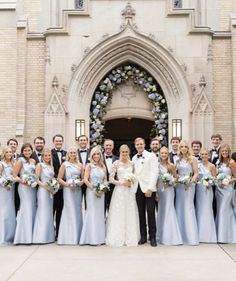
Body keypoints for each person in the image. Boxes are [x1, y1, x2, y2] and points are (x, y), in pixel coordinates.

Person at [106, 144, 140, 247]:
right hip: (119, 191)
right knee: (119, 212)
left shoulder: (132, 164)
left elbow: (135, 177)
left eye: (126, 152)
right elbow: (111, 178)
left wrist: (131, 183)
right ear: (120, 152)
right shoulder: (116, 163)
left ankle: (130, 237)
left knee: (129, 212)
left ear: (128, 152)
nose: (124, 154)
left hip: (129, 192)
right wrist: (121, 183)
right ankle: (118, 237)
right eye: (122, 152)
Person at [132, 137, 159, 247]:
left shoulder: (151, 156)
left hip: (148, 188)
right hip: (137, 188)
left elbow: (155, 173)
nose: (139, 146)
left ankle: (152, 237)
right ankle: (143, 236)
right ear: (135, 146)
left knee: (151, 213)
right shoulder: (133, 158)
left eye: (141, 144)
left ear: (144, 144)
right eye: (137, 144)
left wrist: (150, 188)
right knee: (141, 213)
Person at [80, 146, 107, 245]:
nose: (96, 156)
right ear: (91, 155)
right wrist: (94, 189)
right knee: (91, 213)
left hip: (101, 193)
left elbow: (105, 180)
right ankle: (91, 238)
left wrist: (103, 188)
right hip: (91, 192)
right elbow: (85, 180)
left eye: (98, 154)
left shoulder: (103, 166)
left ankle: (100, 238)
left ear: (100, 155)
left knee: (99, 214)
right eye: (94, 154)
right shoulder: (89, 166)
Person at [156, 147, 182, 245]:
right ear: (159, 154)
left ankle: (170, 237)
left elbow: (176, 179)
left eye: (165, 153)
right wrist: (157, 192)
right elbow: (156, 180)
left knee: (169, 210)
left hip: (169, 191)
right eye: (162, 153)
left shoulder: (171, 166)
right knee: (161, 212)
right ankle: (160, 235)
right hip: (160, 190)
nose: (163, 155)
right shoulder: (157, 165)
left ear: (168, 154)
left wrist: (170, 183)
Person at [57, 147, 83, 245]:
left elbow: (82, 179)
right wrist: (67, 184)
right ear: (68, 154)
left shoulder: (80, 165)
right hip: (68, 190)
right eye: (71, 152)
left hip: (77, 190)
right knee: (69, 210)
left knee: (77, 210)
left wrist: (78, 183)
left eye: (74, 152)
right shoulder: (64, 164)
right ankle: (67, 237)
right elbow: (59, 178)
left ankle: (77, 235)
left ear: (76, 154)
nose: (72, 154)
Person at [175, 140, 199, 245]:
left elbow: (196, 173)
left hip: (189, 187)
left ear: (188, 148)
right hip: (180, 187)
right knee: (179, 208)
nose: (183, 148)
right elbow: (175, 173)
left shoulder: (192, 159)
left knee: (189, 208)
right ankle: (180, 235)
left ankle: (191, 237)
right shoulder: (177, 160)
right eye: (181, 147)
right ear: (179, 148)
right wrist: (178, 179)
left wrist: (190, 182)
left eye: (185, 146)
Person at [13, 143, 37, 244]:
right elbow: (14, 175)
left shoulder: (33, 161)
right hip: (23, 187)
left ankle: (31, 235)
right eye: (25, 150)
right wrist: (23, 181)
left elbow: (35, 174)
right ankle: (23, 237)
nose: (27, 152)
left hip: (32, 187)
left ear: (32, 151)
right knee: (25, 208)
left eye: (29, 150)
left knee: (32, 208)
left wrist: (32, 181)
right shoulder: (20, 161)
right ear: (22, 152)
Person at [33, 148, 55, 244]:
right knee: (42, 212)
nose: (47, 157)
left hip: (50, 191)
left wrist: (54, 187)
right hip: (43, 191)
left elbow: (52, 179)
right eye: (45, 155)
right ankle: (40, 237)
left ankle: (48, 237)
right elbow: (36, 179)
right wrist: (45, 186)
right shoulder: (39, 165)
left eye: (49, 155)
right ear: (42, 156)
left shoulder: (51, 167)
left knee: (48, 213)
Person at [215, 144, 236, 243]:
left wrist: (227, 182)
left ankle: (227, 237)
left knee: (225, 210)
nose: (224, 153)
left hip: (227, 189)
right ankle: (220, 235)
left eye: (226, 151)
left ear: (229, 152)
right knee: (220, 211)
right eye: (222, 151)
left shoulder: (231, 162)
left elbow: (235, 177)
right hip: (219, 190)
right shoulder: (218, 162)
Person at [195, 149, 217, 243]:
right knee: (199, 210)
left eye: (206, 154)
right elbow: (195, 176)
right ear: (200, 155)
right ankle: (199, 235)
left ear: (209, 155)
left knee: (207, 210)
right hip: (199, 190)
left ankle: (208, 236)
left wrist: (210, 183)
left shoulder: (212, 166)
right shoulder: (198, 165)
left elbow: (215, 179)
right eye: (202, 154)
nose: (204, 156)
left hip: (208, 191)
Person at [51, 134, 67, 240]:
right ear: (53, 142)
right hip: (52, 187)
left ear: (62, 142)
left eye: (60, 141)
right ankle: (50, 232)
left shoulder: (67, 153)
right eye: (56, 141)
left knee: (60, 210)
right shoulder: (49, 153)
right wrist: (56, 181)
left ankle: (59, 233)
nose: (58, 143)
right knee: (51, 210)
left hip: (64, 187)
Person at [0, 146, 16, 245]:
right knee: (4, 212)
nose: (9, 154)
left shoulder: (13, 164)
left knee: (10, 211)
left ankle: (10, 235)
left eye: (10, 152)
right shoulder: (1, 164)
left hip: (12, 190)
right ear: (4, 153)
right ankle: (3, 236)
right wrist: (5, 183)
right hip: (4, 189)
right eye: (7, 152)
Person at [103, 139, 118, 214]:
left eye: (110, 145)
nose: (108, 147)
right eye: (107, 145)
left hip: (114, 187)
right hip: (102, 187)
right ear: (104, 146)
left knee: (113, 208)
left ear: (113, 146)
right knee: (102, 208)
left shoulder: (117, 159)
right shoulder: (98, 158)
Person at [7, 138, 20, 215]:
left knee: (16, 204)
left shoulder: (21, 157)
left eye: (14, 144)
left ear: (17, 146)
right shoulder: (1, 158)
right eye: (11, 144)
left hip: (18, 185)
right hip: (6, 186)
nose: (13, 145)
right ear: (8, 145)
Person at [77, 135, 90, 209]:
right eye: (81, 140)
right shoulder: (74, 153)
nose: (83, 141)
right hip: (78, 181)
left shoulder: (92, 152)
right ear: (78, 142)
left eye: (84, 140)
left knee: (88, 203)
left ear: (87, 141)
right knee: (77, 203)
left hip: (89, 181)